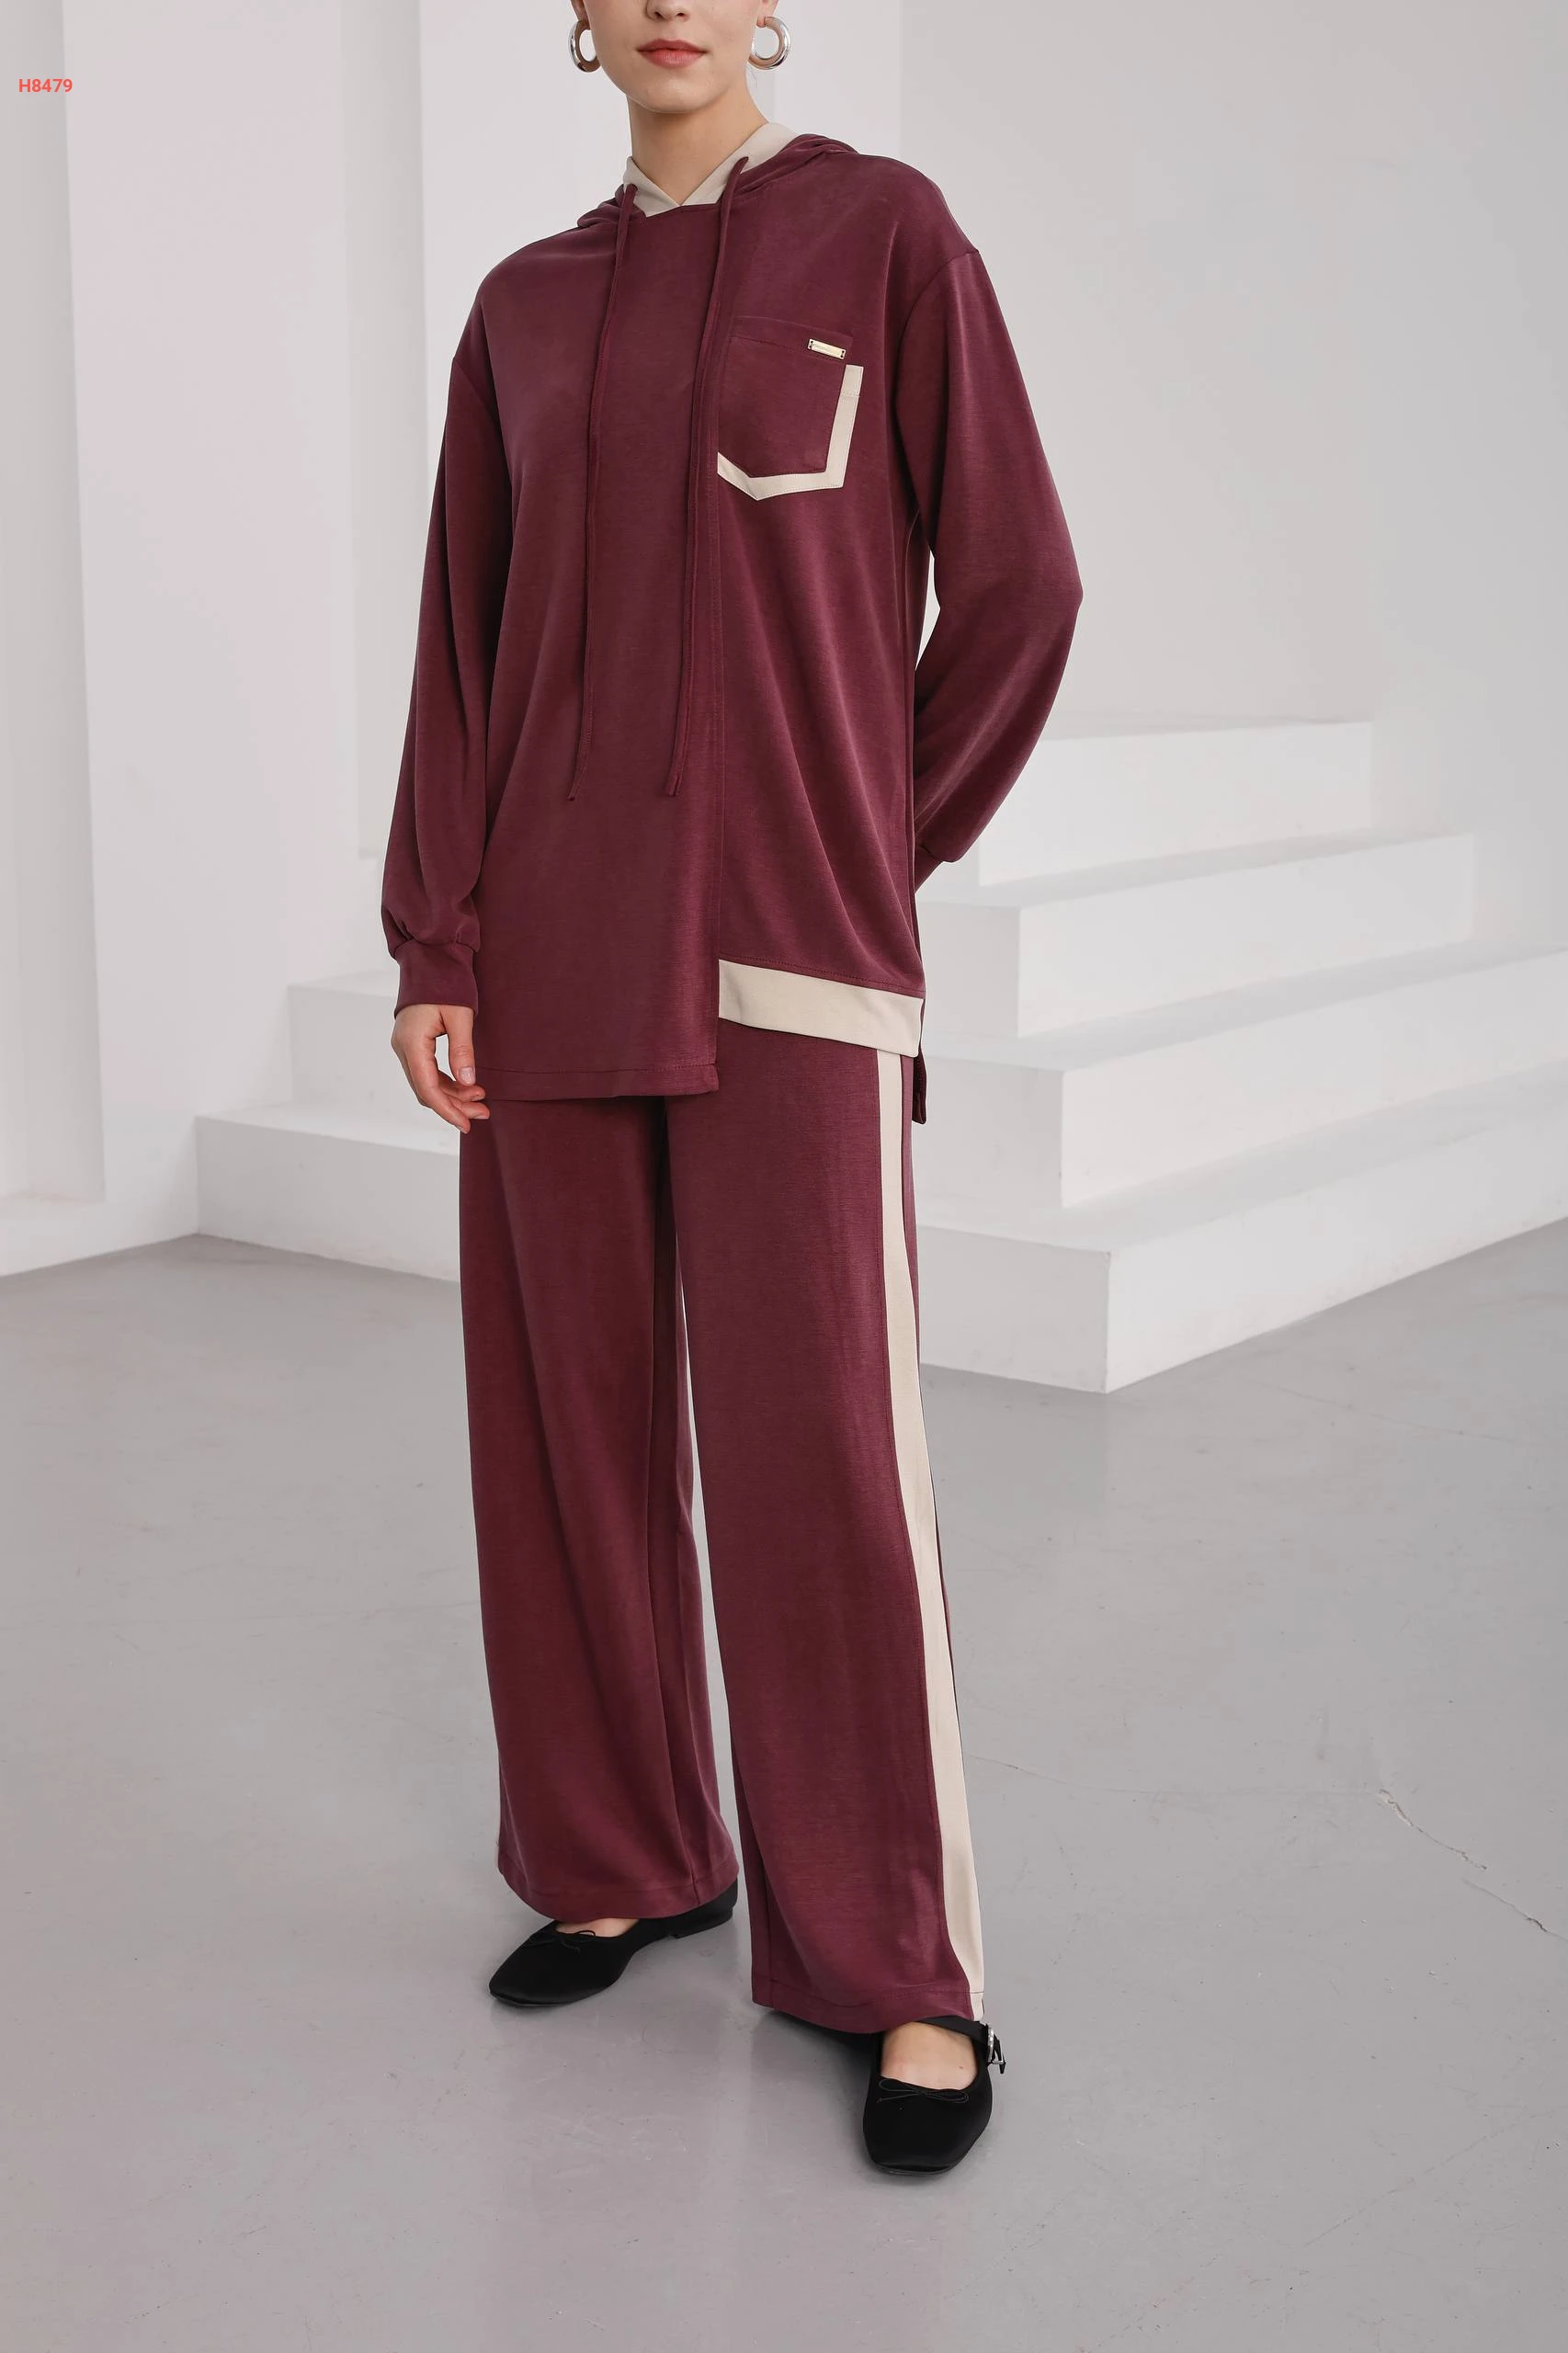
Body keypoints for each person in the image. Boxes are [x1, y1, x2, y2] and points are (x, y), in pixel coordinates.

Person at [381, 0, 1082, 2176]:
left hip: (792, 951)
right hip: (552, 949)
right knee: (565, 1436)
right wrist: (437, 938)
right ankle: (623, 1850)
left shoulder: (887, 235)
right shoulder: (523, 305)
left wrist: (871, 839)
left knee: (822, 1466)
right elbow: (460, 641)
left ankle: (897, 1967)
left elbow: (1021, 585)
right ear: (578, 22)